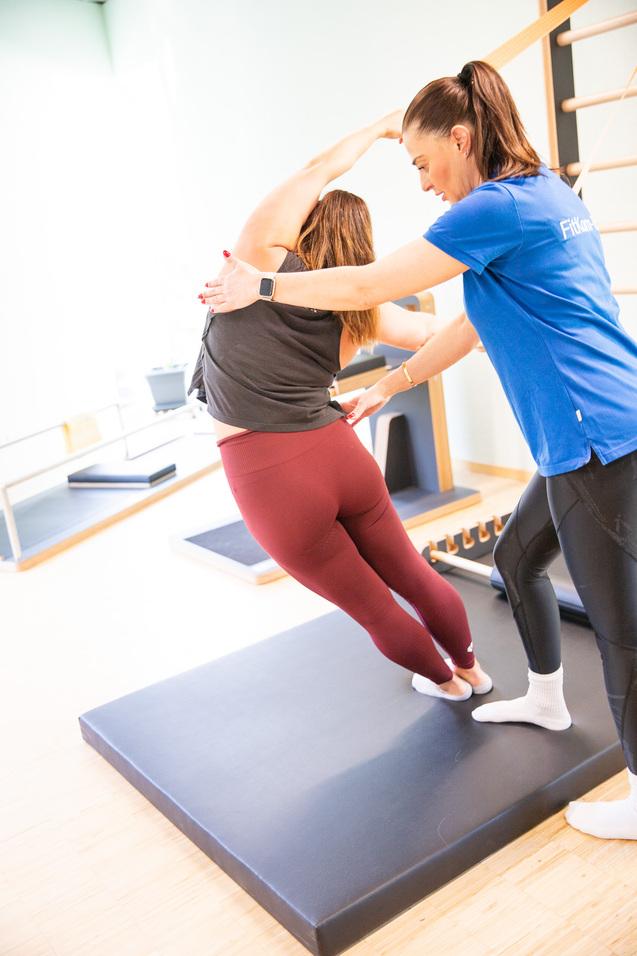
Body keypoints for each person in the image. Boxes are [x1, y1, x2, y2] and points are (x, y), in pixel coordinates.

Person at [201, 61, 637, 840]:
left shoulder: (489, 210)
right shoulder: (545, 195)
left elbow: (374, 280)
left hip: (593, 439)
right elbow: (463, 327)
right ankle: (544, 696)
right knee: (515, 559)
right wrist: (393, 382)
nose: (423, 182)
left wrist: (260, 288)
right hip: (593, 425)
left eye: (421, 163)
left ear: (460, 139)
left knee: (619, 625)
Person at [191, 113, 492, 702]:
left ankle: (445, 687)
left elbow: (317, 168)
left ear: (303, 227)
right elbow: (443, 329)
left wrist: (381, 128)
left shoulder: (259, 265)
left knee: (374, 607)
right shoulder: (363, 308)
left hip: (269, 474)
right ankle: (473, 671)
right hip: (340, 454)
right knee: (413, 575)